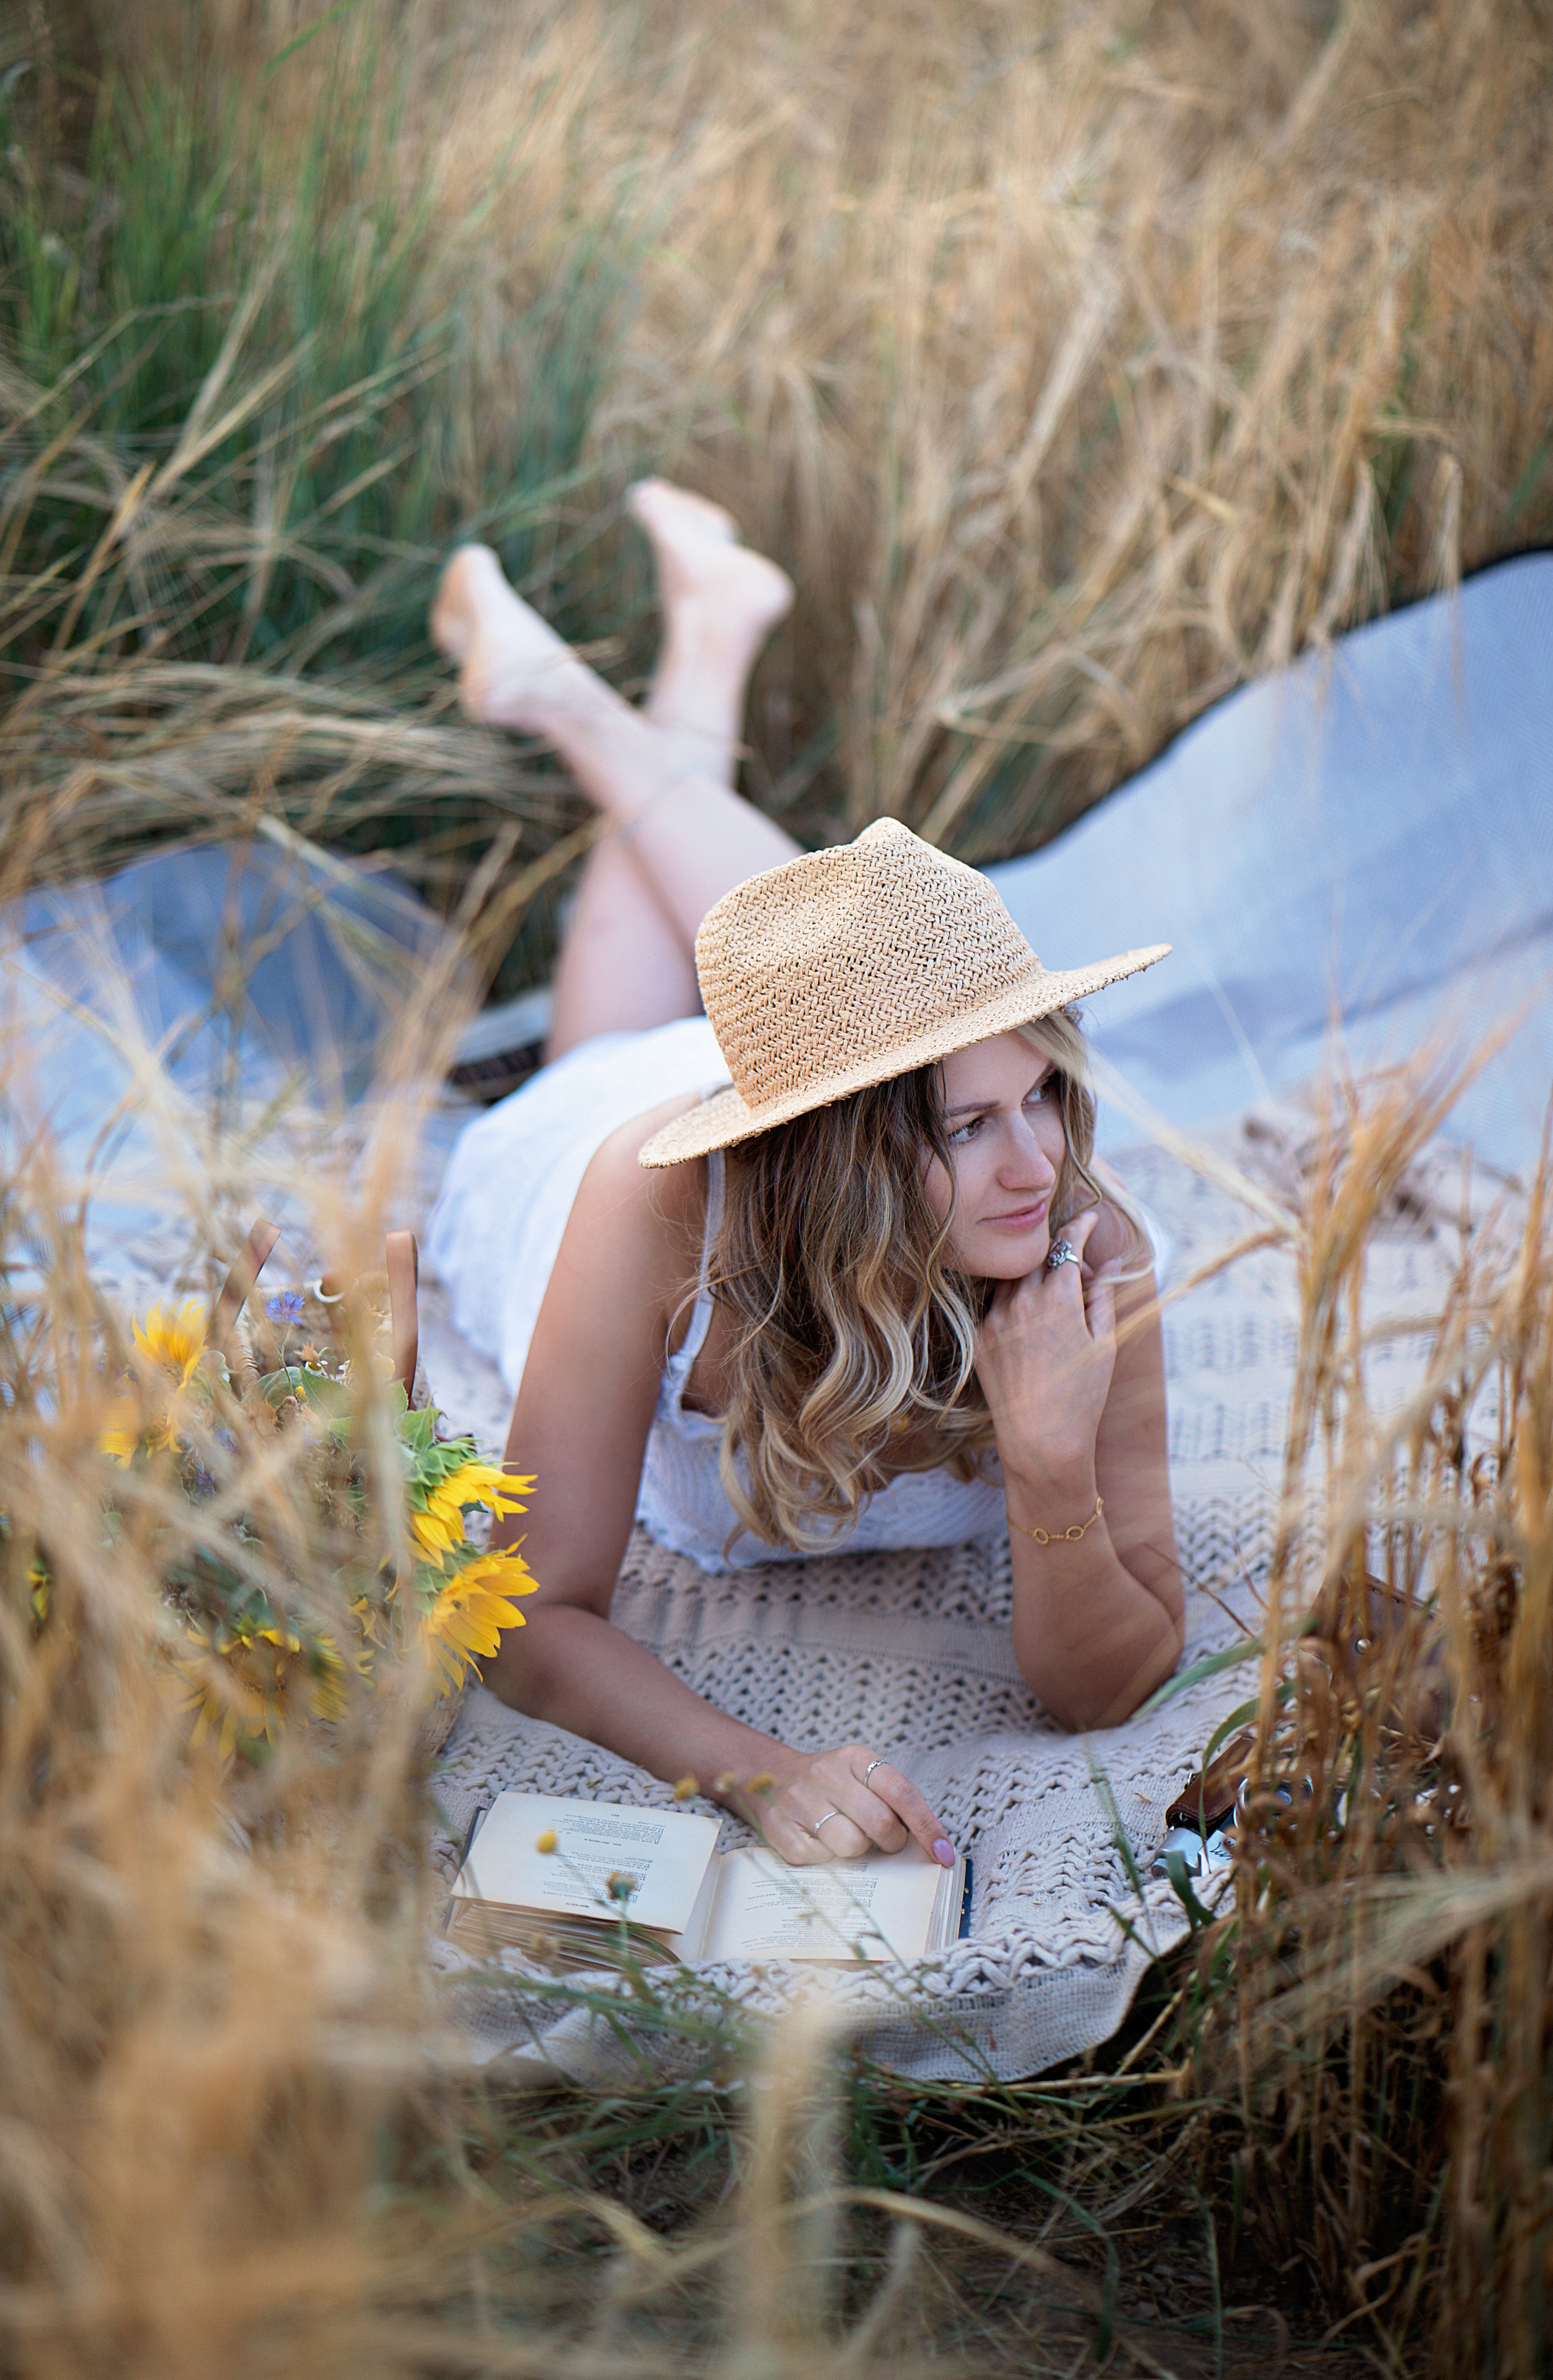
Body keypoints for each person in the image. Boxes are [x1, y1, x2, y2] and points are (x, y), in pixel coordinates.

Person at [427, 483, 1183, 1871]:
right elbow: (527, 1618)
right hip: (585, 1141)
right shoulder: (644, 1202)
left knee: (842, 961)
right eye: (963, 1130)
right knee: (601, 1051)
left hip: (784, 1101)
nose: (1038, 1170)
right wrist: (756, 1773)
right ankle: (609, 686)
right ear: (839, 1150)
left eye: (1045, 1099)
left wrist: (1045, 1461)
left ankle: (689, 649)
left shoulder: (1084, 1248)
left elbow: (1112, 1685)